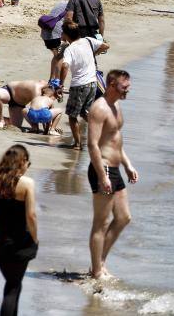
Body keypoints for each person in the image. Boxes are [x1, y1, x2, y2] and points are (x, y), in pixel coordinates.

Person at [87, 69, 137, 280]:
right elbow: (93, 145)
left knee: (124, 218)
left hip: (115, 168)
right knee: (101, 223)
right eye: (124, 87)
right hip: (103, 168)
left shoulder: (116, 105)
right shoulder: (99, 109)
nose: (128, 90)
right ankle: (97, 271)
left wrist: (128, 164)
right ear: (111, 84)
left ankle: (101, 262)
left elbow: (115, 138)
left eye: (128, 86)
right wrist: (102, 175)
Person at [0, 145, 38, 316]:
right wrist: (35, 238)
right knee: (13, 287)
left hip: (0, 243)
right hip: (21, 242)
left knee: (13, 284)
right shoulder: (27, 184)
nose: (28, 166)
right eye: (28, 162)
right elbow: (31, 216)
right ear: (22, 162)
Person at [59, 21, 109, 150]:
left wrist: (60, 84)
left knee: (72, 116)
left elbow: (64, 66)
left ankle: (77, 144)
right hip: (93, 83)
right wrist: (94, 53)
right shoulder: (88, 41)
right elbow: (105, 46)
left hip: (79, 85)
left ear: (66, 35)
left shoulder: (69, 49)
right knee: (84, 112)